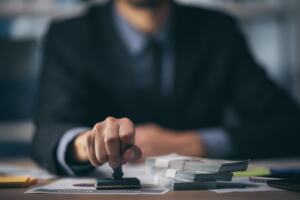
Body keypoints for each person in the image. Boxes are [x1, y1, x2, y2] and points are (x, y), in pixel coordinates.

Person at [32, 0, 300, 175]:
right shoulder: (69, 36)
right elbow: (48, 130)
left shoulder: (218, 31)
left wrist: (198, 143)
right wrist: (88, 144)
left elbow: (289, 125)